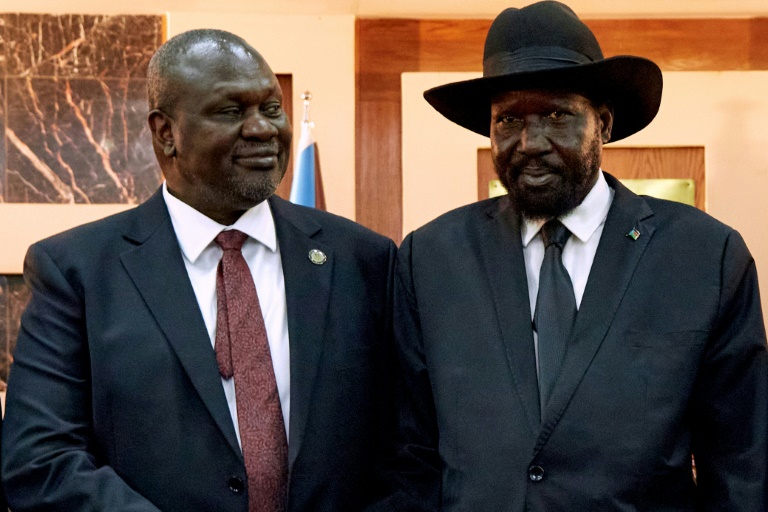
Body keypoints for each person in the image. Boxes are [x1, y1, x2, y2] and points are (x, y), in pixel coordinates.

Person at [380, 2, 768, 510]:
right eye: (508, 120)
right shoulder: (430, 260)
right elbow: (409, 459)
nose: (530, 141)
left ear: (602, 124)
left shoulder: (704, 257)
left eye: (556, 115)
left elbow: (741, 465)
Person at [2, 29, 396, 512]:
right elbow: (40, 460)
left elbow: (406, 450)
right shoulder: (76, 271)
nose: (262, 129)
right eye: (231, 111)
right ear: (165, 133)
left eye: (272, 108)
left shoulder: (363, 259)